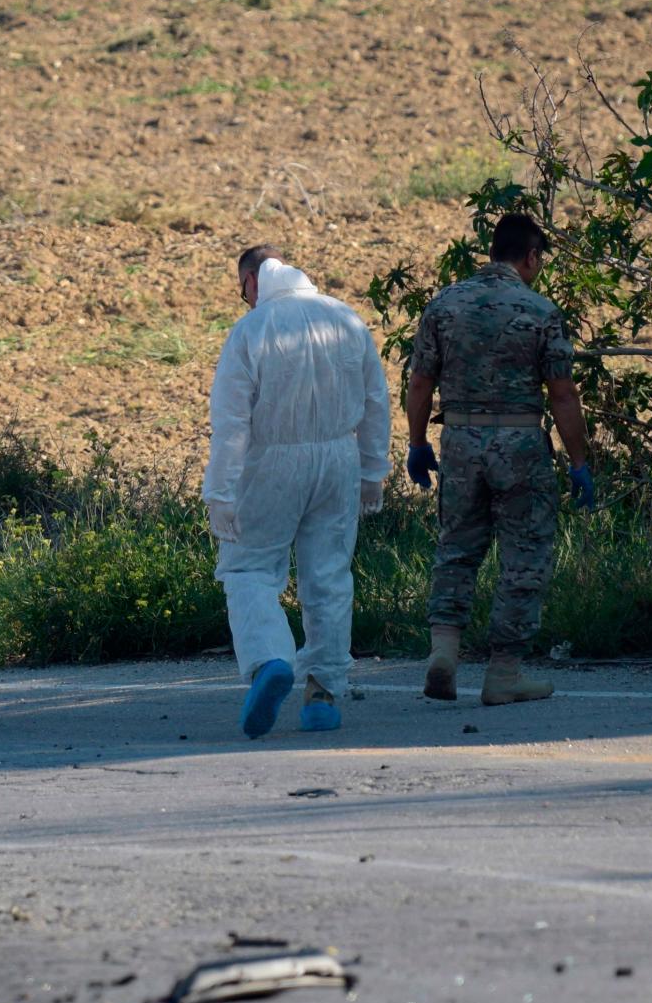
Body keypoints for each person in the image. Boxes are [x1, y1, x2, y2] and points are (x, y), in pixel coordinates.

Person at [404, 211, 596, 707]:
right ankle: (504, 673)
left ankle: (443, 654)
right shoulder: (540, 311)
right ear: (530, 256)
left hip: (461, 445)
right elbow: (562, 395)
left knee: (457, 550)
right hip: (519, 447)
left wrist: (418, 443)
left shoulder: (444, 306)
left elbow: (421, 382)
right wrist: (579, 462)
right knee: (523, 556)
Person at [202, 245, 394, 739]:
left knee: (248, 568)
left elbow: (230, 423)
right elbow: (376, 400)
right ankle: (322, 696)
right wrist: (373, 470)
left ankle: (270, 660)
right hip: (338, 461)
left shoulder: (251, 330)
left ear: (251, 281)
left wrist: (220, 493)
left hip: (270, 463)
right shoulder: (346, 319)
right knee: (328, 576)